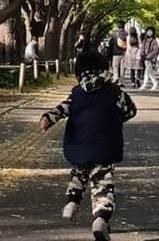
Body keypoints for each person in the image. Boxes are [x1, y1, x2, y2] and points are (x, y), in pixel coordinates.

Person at [40, 48, 137, 241]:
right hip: (105, 146)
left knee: (79, 174)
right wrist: (115, 118)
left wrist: (47, 119)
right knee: (102, 185)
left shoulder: (76, 93)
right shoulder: (115, 91)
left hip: (79, 145)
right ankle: (100, 219)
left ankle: (71, 202)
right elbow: (130, 111)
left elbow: (61, 109)